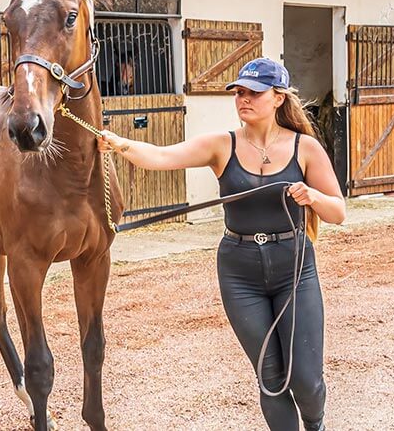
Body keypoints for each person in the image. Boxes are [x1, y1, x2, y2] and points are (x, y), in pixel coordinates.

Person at [98, 57, 345, 430]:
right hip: (239, 270)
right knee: (272, 378)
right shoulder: (222, 145)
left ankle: (317, 424)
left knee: (306, 381)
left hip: (294, 267)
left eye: (254, 93)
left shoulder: (305, 148)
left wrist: (312, 196)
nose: (243, 99)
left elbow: (338, 212)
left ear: (278, 98)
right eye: (239, 92)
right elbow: (163, 157)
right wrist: (120, 144)